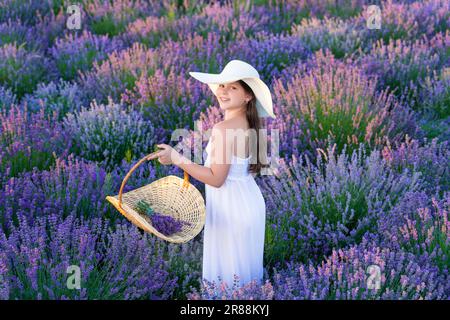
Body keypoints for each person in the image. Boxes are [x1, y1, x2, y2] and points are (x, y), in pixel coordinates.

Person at [148, 59, 276, 291]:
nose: (223, 91)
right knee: (245, 283)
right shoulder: (250, 123)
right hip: (249, 205)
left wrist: (177, 159)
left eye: (233, 87)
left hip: (232, 212)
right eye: (222, 86)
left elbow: (217, 178)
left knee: (227, 283)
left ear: (248, 96)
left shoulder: (224, 129)